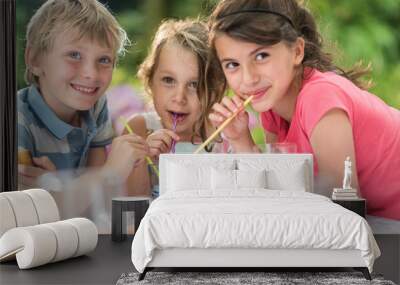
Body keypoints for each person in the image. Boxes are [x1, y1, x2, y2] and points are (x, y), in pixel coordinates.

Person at [207, 0, 400, 219]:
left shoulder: (319, 97)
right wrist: (241, 140)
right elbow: (277, 189)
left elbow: (343, 211)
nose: (248, 78)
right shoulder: (272, 107)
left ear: (297, 51)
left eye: (261, 56)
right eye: (232, 64)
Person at [18, 0, 149, 188]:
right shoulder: (17, 122)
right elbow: (25, 211)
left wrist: (59, 187)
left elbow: (96, 202)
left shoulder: (96, 106)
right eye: (74, 55)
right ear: (35, 60)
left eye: (104, 60)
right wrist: (111, 173)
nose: (91, 74)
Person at [124, 19, 227, 197]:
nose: (179, 98)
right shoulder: (139, 129)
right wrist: (145, 160)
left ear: (214, 91)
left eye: (194, 84)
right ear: (150, 82)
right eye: (168, 80)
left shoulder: (222, 139)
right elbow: (133, 207)